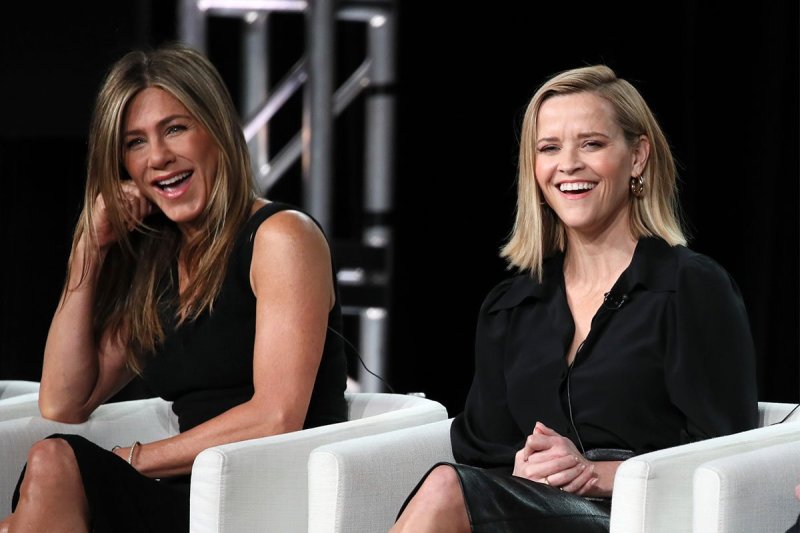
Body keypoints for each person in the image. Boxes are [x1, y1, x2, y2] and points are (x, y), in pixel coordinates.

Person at [390, 64, 758, 532]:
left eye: (592, 144)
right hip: (530, 510)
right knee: (451, 485)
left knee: (445, 489)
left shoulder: (689, 287)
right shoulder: (511, 305)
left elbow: (724, 456)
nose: (568, 164)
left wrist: (593, 474)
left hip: (642, 516)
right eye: (549, 148)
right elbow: (483, 450)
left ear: (638, 156)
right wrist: (522, 468)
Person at [0, 42, 348, 533]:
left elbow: (276, 416)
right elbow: (63, 401)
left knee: (54, 465)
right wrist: (88, 254)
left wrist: (136, 459)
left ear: (218, 129)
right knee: (45, 482)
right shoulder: (157, 260)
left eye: (175, 128)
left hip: (266, 496)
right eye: (134, 142)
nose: (158, 157)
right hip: (186, 495)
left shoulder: (281, 237)